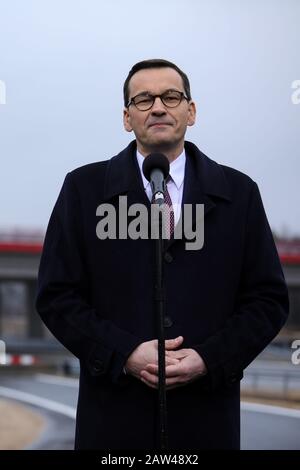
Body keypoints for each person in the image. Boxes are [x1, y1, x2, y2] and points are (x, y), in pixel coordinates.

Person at [36, 59, 289, 450]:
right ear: (126, 117)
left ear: (191, 111)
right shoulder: (83, 190)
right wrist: (125, 353)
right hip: (113, 423)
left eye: (171, 96)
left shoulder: (240, 194)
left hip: (207, 421)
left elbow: (268, 300)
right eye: (143, 99)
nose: (157, 107)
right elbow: (57, 296)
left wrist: (208, 358)